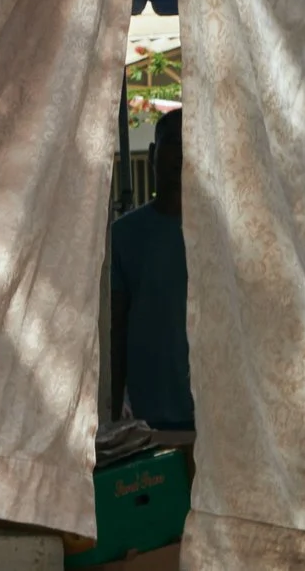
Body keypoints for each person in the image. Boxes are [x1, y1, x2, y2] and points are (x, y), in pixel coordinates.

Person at [109, 108, 193, 431]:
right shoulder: (125, 236)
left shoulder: (218, 239)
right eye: (173, 142)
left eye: (189, 144)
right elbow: (116, 331)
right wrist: (113, 417)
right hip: (147, 425)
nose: (181, 154)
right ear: (154, 153)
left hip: (214, 422)